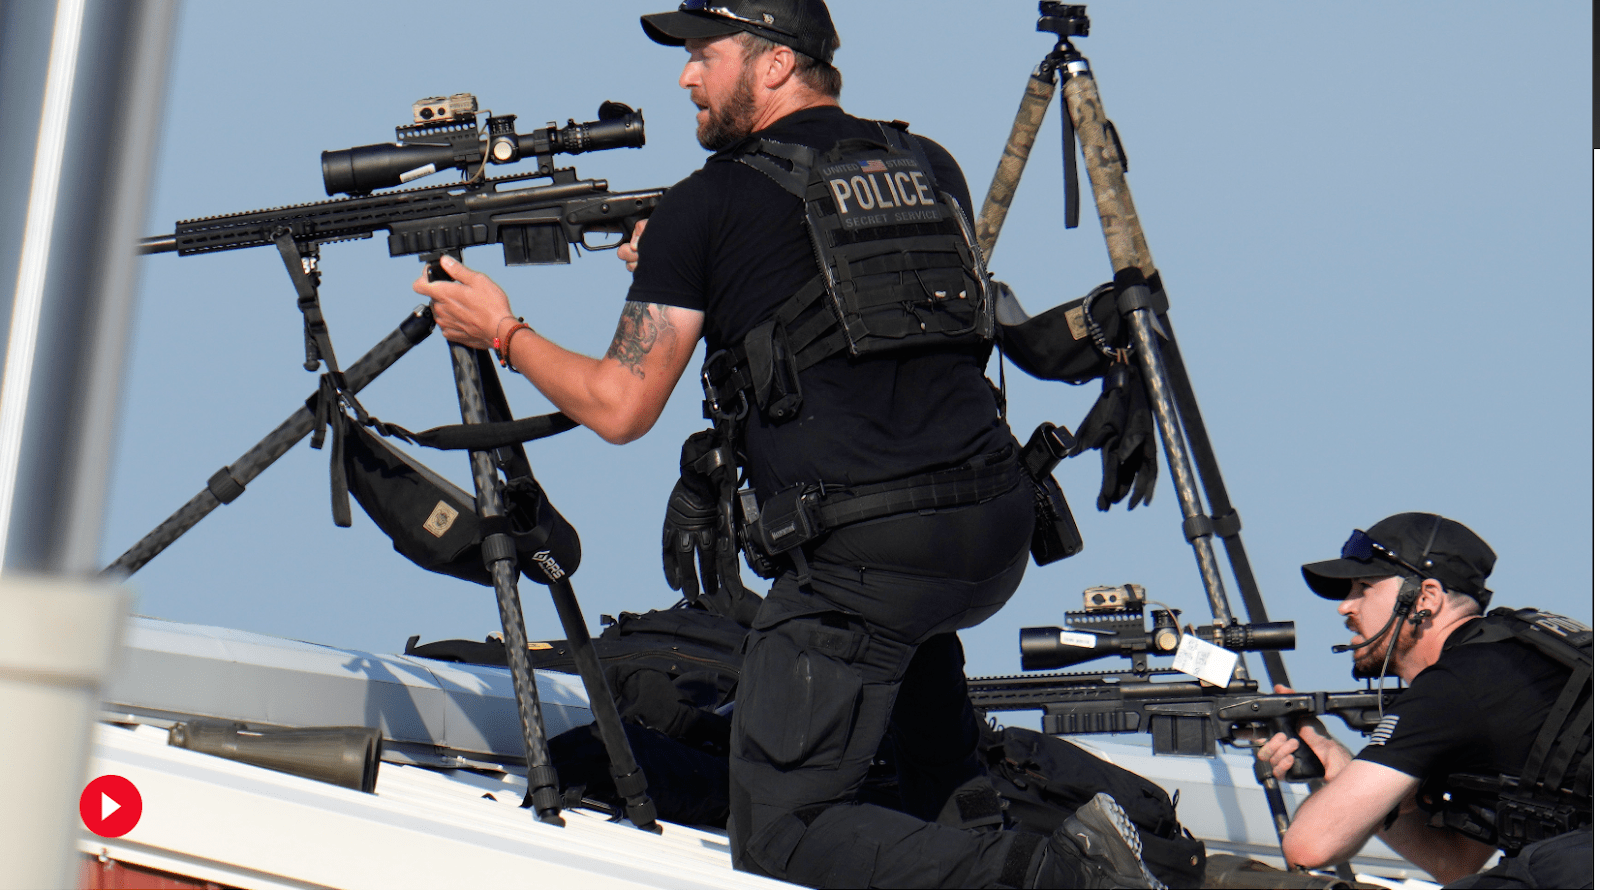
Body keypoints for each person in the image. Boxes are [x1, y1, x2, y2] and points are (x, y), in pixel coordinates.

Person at [413, 2, 1166, 887]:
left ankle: (1063, 875)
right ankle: (998, 830)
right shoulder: (928, 165)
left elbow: (620, 405)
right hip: (990, 532)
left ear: (774, 63)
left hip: (865, 561)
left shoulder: (708, 204)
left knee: (780, 832)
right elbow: (857, 298)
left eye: (705, 54)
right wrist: (688, 264)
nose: (686, 75)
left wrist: (501, 331)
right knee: (927, 767)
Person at [1258, 512, 1592, 888]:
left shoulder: (1457, 682)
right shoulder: (1514, 656)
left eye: (1364, 587)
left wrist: (1345, 781)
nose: (1345, 607)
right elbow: (1454, 861)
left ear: (1426, 598)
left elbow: (1309, 846)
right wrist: (1341, 767)